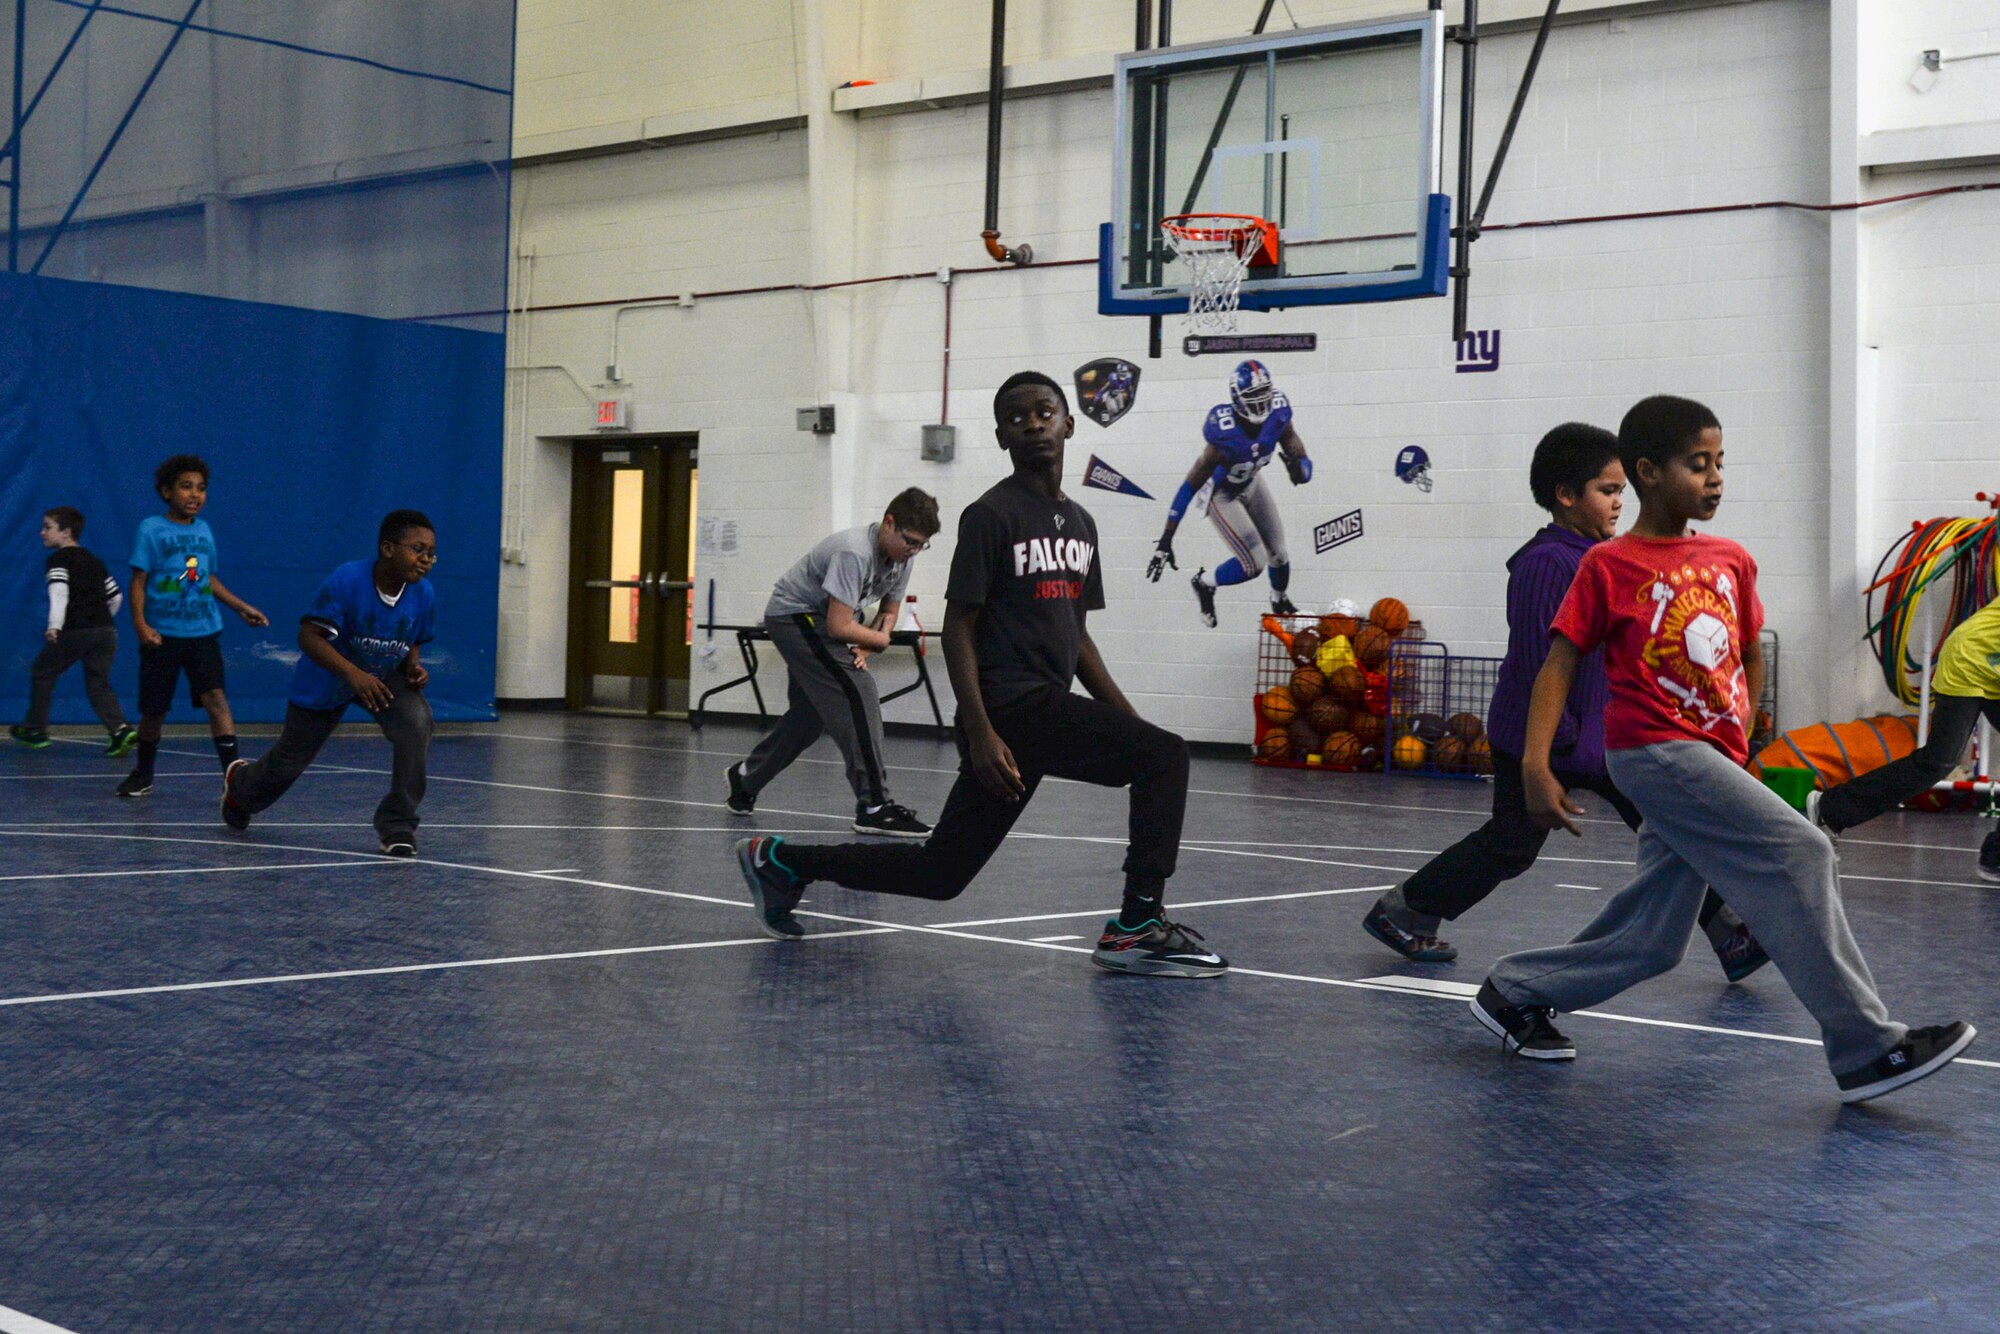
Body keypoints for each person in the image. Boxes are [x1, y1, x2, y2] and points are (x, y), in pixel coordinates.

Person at [1473, 395, 1974, 1103]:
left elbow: (1746, 653)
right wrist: (1532, 764)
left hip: (1709, 755)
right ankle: (1868, 1048)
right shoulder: (1608, 566)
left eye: (1720, 465)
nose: (1714, 479)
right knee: (1804, 849)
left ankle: (1516, 990)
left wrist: (1745, 733)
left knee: (1656, 938)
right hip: (1652, 751)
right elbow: (1556, 663)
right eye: (1696, 465)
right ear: (1648, 472)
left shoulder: (1731, 559)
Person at [733, 371, 1227, 977]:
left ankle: (782, 862)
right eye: (1017, 419)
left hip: (1037, 711)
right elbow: (959, 625)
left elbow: (1079, 640)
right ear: (1001, 437)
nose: (1034, 424)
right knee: (1166, 758)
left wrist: (1126, 719)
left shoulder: (1081, 525)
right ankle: (1138, 924)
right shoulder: (990, 515)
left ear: (1069, 424)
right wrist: (980, 728)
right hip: (1010, 709)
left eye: (1046, 412)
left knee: (941, 874)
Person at [1360, 424, 1768, 983]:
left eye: (1623, 490)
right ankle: (1403, 912)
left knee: (1669, 824)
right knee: (1512, 844)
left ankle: (1731, 933)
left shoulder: (1602, 556)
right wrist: (1552, 754)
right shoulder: (1546, 563)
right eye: (1607, 490)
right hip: (1546, 739)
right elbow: (1538, 664)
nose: (1620, 503)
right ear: (1566, 495)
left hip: (1601, 738)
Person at [724, 488, 939, 837]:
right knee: (859, 692)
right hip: (796, 617)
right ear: (889, 523)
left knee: (809, 718)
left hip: (824, 621)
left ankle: (746, 779)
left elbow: (888, 610)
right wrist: (880, 641)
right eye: (910, 541)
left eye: (921, 546)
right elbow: (840, 627)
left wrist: (866, 649)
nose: (913, 552)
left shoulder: (903, 558)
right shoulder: (853, 551)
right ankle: (875, 805)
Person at [222, 510, 437, 856]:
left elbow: (413, 636)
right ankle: (241, 787)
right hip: (328, 677)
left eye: (430, 553)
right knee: (288, 764)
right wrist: (353, 675)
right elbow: (308, 637)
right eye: (417, 549)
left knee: (416, 722)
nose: (425, 559)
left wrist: (413, 667)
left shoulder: (422, 593)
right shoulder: (348, 581)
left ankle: (398, 824)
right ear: (387, 548)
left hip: (382, 678)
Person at [1807, 599, 2000, 882]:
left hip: (1992, 666)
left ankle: (1995, 858)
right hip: (1969, 661)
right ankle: (1830, 810)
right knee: (1938, 761)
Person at [118, 454, 268, 797]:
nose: (195, 494)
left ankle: (234, 779)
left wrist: (240, 607)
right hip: (162, 636)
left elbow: (207, 579)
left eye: (201, 488)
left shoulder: (203, 531)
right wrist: (141, 625)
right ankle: (143, 773)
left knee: (216, 698)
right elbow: (138, 582)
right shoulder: (151, 529)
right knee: (155, 710)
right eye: (186, 487)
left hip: (203, 633)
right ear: (166, 491)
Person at [1145, 359, 1313, 626]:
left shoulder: (1278, 413)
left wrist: (1301, 469)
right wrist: (1167, 538)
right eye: (1252, 397)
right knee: (1254, 564)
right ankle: (1204, 582)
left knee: (1279, 554)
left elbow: (1299, 453)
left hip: (1251, 483)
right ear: (1237, 400)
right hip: (1221, 494)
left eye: (1263, 394)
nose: (1261, 403)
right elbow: (1189, 486)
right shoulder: (1223, 435)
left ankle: (1279, 599)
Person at [10, 506, 137, 756]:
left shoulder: (58, 559)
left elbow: (59, 593)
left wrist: (54, 625)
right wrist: (100, 622)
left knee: (42, 672)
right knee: (98, 684)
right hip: (106, 632)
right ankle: (120, 730)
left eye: (48, 527)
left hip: (76, 630)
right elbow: (116, 597)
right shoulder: (95, 560)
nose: (42, 533)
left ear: (66, 532)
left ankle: (36, 729)